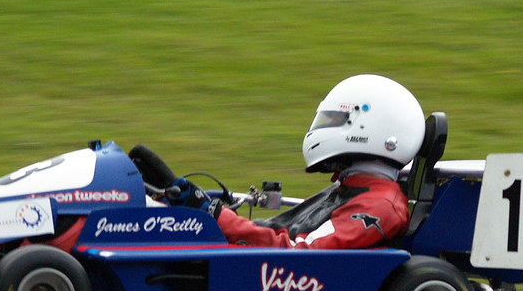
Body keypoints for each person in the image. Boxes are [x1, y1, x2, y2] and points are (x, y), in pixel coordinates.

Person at [150, 74, 426, 249]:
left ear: (373, 129)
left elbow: (299, 251)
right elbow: (279, 230)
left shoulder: (379, 205)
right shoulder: (352, 188)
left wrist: (216, 216)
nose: (323, 128)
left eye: (334, 121)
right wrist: (206, 207)